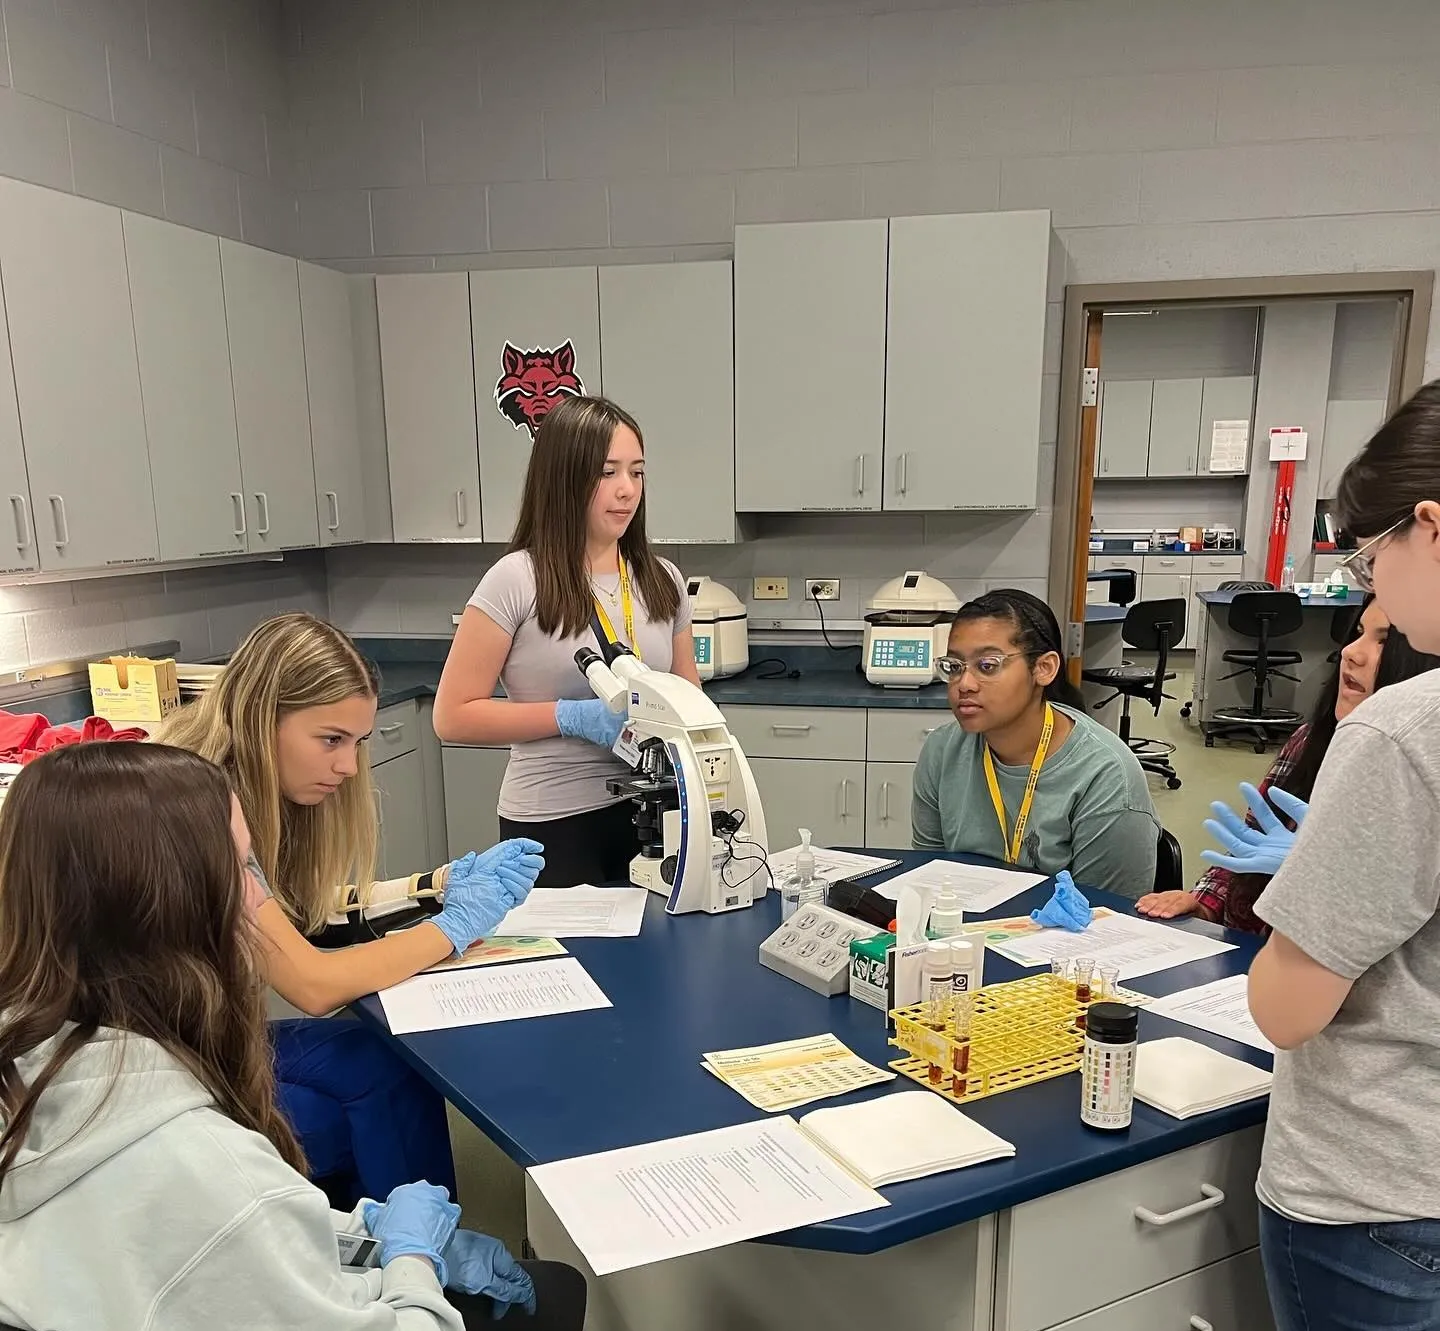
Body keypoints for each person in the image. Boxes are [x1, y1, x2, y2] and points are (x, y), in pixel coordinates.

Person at [0, 742, 586, 1331]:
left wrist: (365, 1233)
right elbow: (230, 1216)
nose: (259, 898)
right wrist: (413, 1257)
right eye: (241, 868)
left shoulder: (34, 1065)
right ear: (176, 904)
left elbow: (224, 1236)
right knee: (557, 1294)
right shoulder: (209, 1165)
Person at [158, 612, 545, 1206]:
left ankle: (411, 1238)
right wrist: (453, 927)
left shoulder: (225, 777)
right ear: (263, 717)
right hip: (151, 1065)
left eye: (358, 743)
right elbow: (313, 985)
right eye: (331, 740)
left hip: (199, 1034)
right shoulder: (198, 808)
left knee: (386, 1066)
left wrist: (435, 886)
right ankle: (405, 1244)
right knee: (337, 1115)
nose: (347, 766)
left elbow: (298, 915)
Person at [1242, 381, 1440, 1331]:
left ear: (1429, 527)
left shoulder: (1404, 731)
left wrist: (1300, 884)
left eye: (1370, 557)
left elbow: (1287, 1008)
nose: (1373, 591)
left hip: (1379, 1196)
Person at [433, 395, 700, 888]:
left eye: (637, 473)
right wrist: (570, 717)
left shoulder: (662, 579)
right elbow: (453, 716)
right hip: (554, 820)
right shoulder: (517, 579)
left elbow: (691, 698)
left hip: (656, 815)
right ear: (564, 477)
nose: (627, 490)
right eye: (607, 472)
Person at [1135, 595, 1440, 931]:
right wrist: (1203, 904)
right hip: (1259, 946)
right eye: (1358, 633)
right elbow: (1253, 845)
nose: (1351, 652)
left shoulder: (1422, 780)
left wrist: (1331, 875)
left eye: (1383, 642)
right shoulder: (1310, 741)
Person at [911, 588, 1159, 898]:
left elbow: (1106, 913)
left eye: (987, 665)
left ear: (1044, 668)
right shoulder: (942, 750)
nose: (965, 684)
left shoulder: (1106, 775)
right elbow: (931, 875)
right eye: (955, 666)